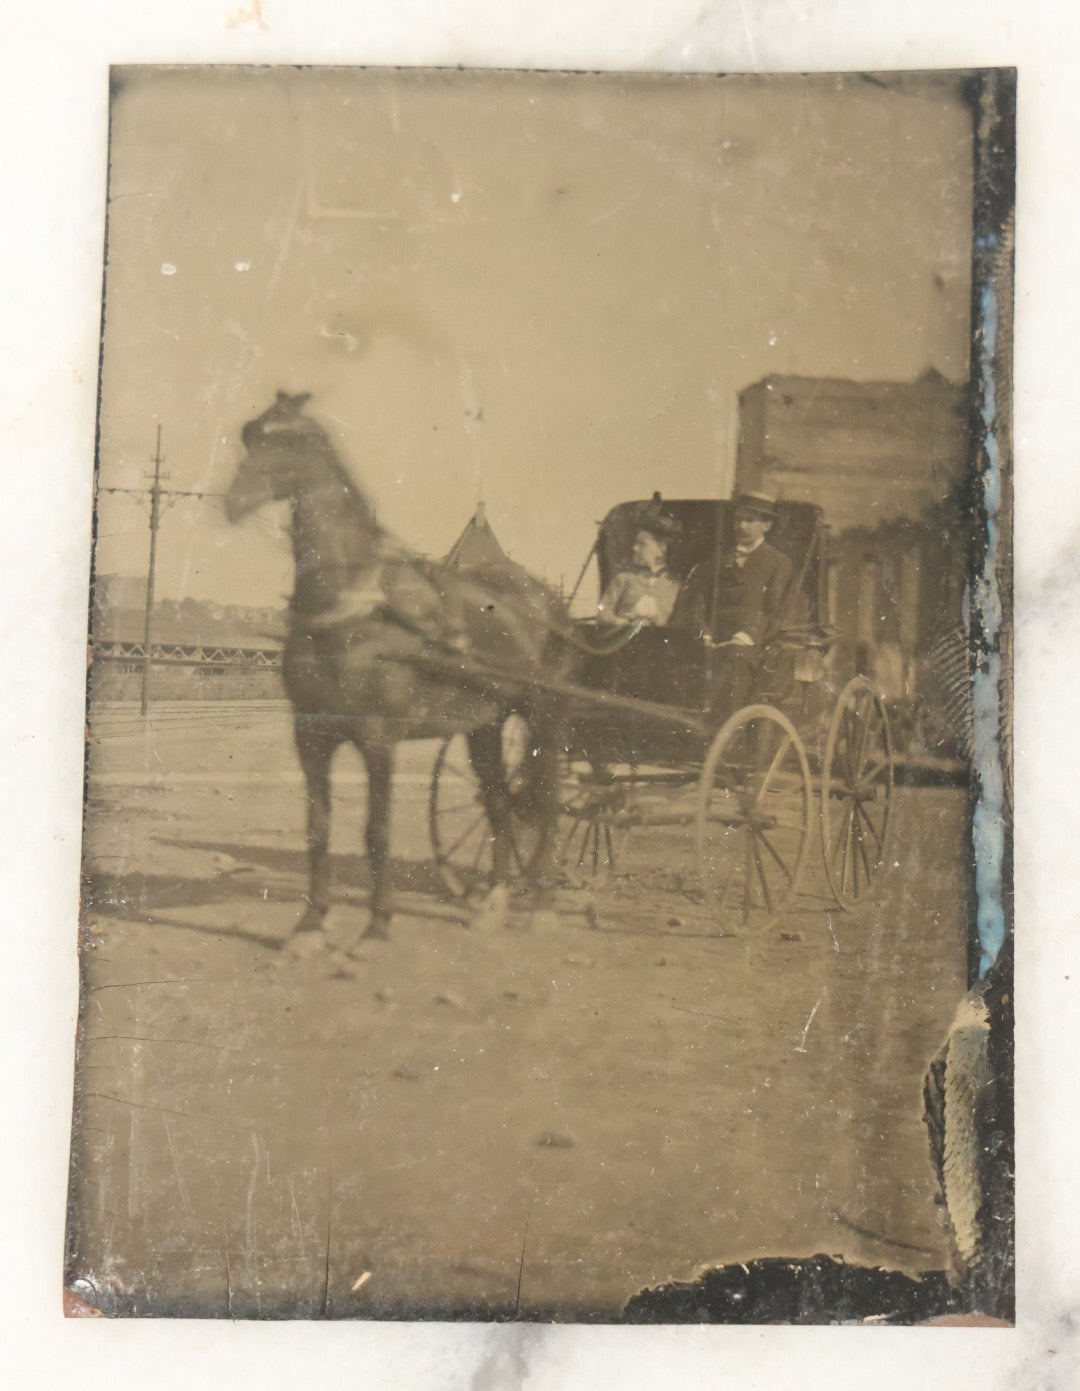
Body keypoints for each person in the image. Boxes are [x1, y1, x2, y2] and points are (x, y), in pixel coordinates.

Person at [709, 492, 793, 647]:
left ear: (767, 526)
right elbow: (700, 600)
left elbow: (773, 611)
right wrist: (704, 635)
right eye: (738, 519)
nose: (741, 526)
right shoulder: (718, 559)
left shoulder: (778, 562)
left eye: (749, 520)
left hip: (751, 644)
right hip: (711, 641)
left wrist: (742, 638)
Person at [596, 511, 681, 627]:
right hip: (626, 641)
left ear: (661, 549)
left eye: (642, 544)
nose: (635, 548)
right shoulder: (624, 579)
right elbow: (602, 611)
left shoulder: (675, 585)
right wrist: (619, 622)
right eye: (636, 543)